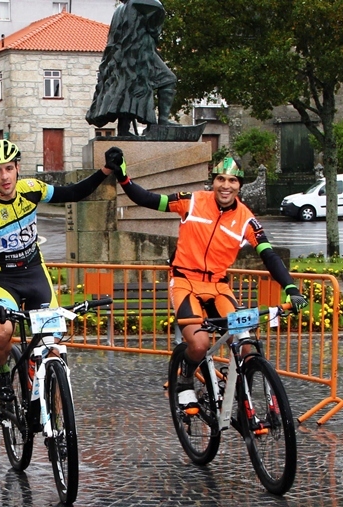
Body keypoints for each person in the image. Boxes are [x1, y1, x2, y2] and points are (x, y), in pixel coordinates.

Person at [101, 147, 308, 408]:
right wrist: (123, 177)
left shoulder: (247, 219)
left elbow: (270, 257)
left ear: (239, 185)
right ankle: (185, 379)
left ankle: (241, 399)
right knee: (199, 343)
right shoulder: (193, 201)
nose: (226, 185)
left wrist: (291, 288)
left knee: (247, 345)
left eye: (232, 180)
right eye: (221, 178)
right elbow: (148, 199)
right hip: (185, 281)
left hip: (218, 287)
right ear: (213, 181)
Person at [0, 139, 112, 403]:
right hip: (3, 278)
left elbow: (72, 193)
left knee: (53, 348)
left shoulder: (31, 189)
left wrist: (104, 171)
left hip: (34, 272)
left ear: (17, 168)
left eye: (9, 169)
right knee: (2, 332)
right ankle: (3, 373)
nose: (5, 177)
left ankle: (56, 425)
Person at [86, 0, 177, 136]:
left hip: (127, 56)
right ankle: (162, 121)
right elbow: (157, 9)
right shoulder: (139, 3)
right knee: (168, 79)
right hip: (140, 52)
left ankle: (124, 129)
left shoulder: (120, 10)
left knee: (127, 87)